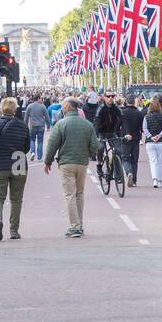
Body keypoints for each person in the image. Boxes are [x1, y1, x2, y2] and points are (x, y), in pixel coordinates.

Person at [43, 97, 100, 238]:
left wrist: (48, 161)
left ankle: (74, 227)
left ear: (68, 107)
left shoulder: (61, 124)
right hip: (82, 162)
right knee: (80, 194)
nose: (62, 108)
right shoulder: (87, 125)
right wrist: (88, 154)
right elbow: (95, 145)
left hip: (66, 163)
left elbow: (52, 144)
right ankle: (79, 225)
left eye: (63, 106)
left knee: (70, 195)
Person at [0, 97, 29, 241]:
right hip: (19, 163)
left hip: (0, 163)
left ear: (1, 109)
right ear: (15, 109)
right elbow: (26, 147)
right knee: (16, 198)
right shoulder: (22, 126)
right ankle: (14, 230)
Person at [120, 96, 145, 186]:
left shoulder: (122, 112)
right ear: (134, 102)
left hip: (125, 138)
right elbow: (142, 128)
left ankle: (128, 172)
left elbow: (118, 125)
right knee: (134, 160)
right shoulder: (139, 113)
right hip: (136, 139)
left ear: (126, 101)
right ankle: (134, 180)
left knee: (125, 158)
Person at [24, 96, 48, 161]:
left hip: (32, 126)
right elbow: (47, 116)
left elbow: (26, 117)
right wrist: (48, 126)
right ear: (38, 99)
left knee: (32, 140)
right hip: (41, 126)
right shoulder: (43, 106)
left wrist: (25, 126)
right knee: (40, 141)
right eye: (41, 98)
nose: (42, 100)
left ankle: (32, 152)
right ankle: (39, 157)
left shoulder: (29, 106)